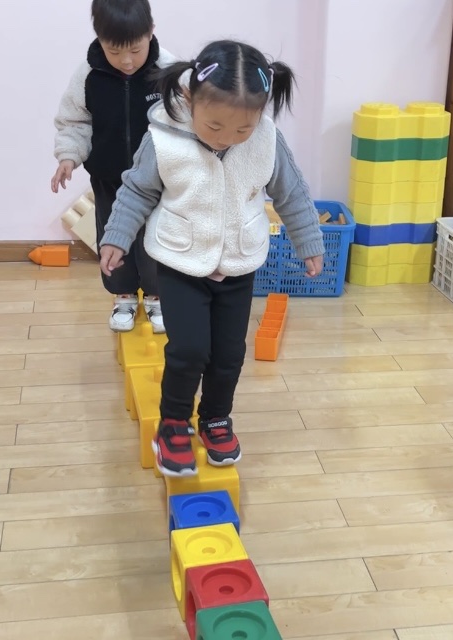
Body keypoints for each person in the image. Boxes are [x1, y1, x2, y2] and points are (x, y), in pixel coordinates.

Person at [99, 39, 325, 477]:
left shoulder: (266, 140)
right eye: (215, 125)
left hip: (238, 264)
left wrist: (309, 241)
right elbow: (137, 191)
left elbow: (292, 193)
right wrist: (117, 237)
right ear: (189, 98)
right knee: (189, 350)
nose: (227, 138)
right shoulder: (164, 137)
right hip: (181, 263)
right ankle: (173, 423)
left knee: (229, 354)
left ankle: (216, 417)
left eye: (242, 130)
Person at [51, 0, 175, 333]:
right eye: (114, 51)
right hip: (109, 178)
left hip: (157, 180)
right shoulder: (88, 75)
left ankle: (157, 297)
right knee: (113, 236)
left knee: (156, 238)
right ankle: (123, 295)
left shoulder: (169, 71)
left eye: (135, 50)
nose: (126, 61)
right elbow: (75, 121)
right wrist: (68, 156)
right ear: (99, 38)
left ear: (151, 32)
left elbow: (186, 121)